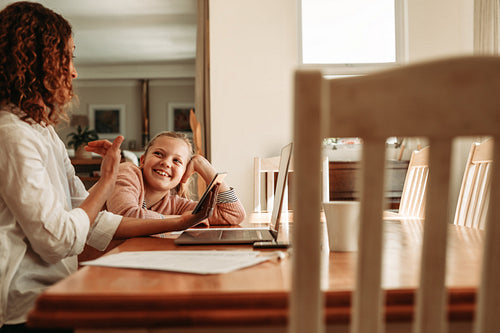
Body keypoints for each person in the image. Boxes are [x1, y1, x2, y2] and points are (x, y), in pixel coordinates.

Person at [0, 2, 215, 332]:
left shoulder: (43, 132)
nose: (73, 71)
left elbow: (92, 218)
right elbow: (57, 240)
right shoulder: (12, 135)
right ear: (35, 61)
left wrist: (182, 221)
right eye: (66, 57)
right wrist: (107, 181)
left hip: (54, 291)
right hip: (24, 304)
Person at [106, 131, 246, 229]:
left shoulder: (175, 205)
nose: (166, 163)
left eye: (177, 161)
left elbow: (232, 215)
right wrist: (180, 220)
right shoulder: (127, 172)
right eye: (158, 154)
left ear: (184, 173)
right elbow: (125, 217)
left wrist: (204, 166)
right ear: (142, 160)